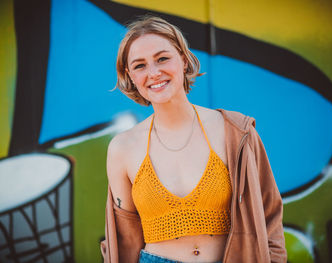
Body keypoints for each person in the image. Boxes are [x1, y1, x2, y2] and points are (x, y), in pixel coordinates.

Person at [100, 16, 287, 263]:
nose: (154, 73)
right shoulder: (122, 148)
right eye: (140, 65)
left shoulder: (235, 132)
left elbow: (269, 216)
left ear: (184, 60)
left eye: (162, 58)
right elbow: (123, 242)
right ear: (130, 75)